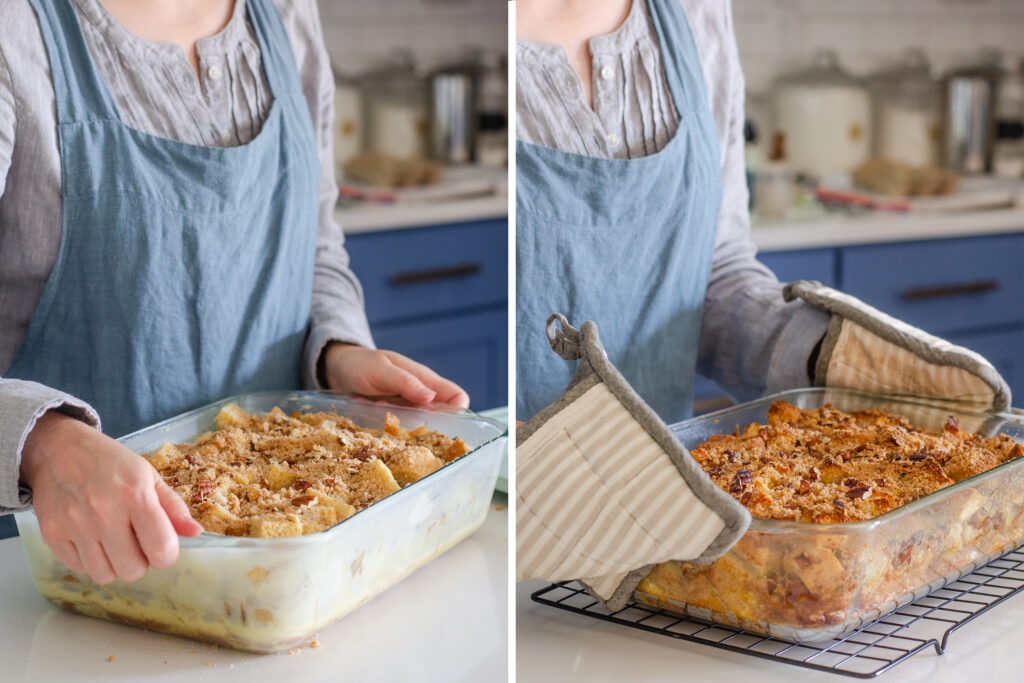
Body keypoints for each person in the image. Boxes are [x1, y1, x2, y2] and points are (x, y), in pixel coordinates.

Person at [514, 0, 1011, 599]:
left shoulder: (694, 13)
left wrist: (823, 358)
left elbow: (712, 273)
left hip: (686, 541)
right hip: (518, 536)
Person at [0, 0, 468, 585]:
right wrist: (46, 445)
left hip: (288, 572)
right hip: (58, 574)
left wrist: (337, 354)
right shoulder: (15, 29)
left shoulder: (287, 13)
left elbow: (316, 246)